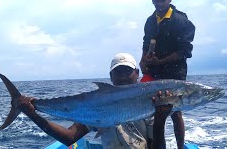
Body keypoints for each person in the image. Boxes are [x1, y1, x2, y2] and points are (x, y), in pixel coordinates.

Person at [18, 53, 173, 149]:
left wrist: (160, 119)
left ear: (137, 73)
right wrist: (33, 114)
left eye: (127, 70)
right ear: (111, 76)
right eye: (118, 72)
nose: (123, 76)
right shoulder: (98, 103)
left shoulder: (152, 102)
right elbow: (69, 137)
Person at [139, 0, 196, 149]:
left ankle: (180, 146)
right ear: (152, 1)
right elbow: (145, 43)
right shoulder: (150, 21)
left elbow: (185, 51)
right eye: (156, 1)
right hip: (155, 71)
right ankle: (155, 145)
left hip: (175, 72)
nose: (159, 4)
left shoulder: (181, 20)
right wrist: (143, 61)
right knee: (155, 110)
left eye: (163, 0)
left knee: (175, 111)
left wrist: (161, 62)